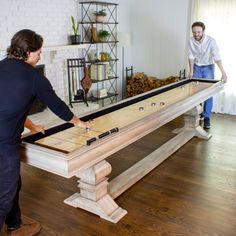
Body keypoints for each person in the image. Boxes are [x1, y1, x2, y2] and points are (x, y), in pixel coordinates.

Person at [0, 29, 91, 236]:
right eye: (39, 52)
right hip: (3, 144)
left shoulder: (1, 67)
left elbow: (10, 106)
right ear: (27, 52)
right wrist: (78, 122)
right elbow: (57, 105)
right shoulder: (34, 77)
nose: (41, 56)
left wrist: (32, 127)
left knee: (11, 184)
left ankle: (15, 225)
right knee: (4, 196)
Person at [188, 21, 227, 129]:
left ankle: (206, 117)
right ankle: (198, 113)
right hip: (196, 67)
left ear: (203, 31)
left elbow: (217, 57)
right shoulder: (191, 41)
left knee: (208, 93)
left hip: (208, 67)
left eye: (199, 32)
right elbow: (191, 56)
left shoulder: (211, 41)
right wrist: (191, 71)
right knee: (196, 93)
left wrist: (223, 73)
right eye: (194, 32)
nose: (196, 34)